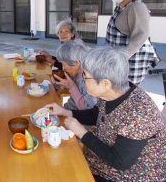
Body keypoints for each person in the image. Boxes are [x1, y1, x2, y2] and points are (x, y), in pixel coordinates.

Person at [44, 47, 165, 181]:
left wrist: (82, 133)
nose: (82, 79)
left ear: (105, 83)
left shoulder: (139, 114)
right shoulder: (114, 91)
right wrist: (65, 112)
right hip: (100, 160)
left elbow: (119, 162)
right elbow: (96, 114)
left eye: (85, 76)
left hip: (130, 175)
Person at [107, 0, 159, 84]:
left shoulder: (136, 7)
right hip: (118, 62)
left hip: (130, 64)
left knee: (126, 95)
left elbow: (141, 35)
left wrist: (122, 57)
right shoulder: (122, 6)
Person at [52, 39, 97, 110]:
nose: (63, 68)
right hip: (68, 109)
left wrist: (72, 87)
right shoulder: (77, 74)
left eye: (63, 64)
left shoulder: (89, 80)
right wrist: (58, 85)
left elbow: (86, 107)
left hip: (77, 115)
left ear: (76, 63)